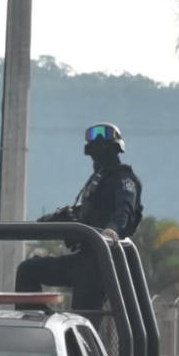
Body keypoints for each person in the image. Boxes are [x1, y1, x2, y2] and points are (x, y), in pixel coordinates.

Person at [16, 122, 143, 310]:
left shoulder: (124, 179)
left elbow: (124, 210)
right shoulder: (97, 181)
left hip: (103, 262)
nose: (99, 145)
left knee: (85, 315)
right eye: (95, 143)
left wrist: (111, 231)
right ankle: (39, 322)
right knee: (28, 270)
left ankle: (77, 327)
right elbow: (90, 212)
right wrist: (66, 219)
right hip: (84, 258)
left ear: (116, 148)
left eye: (104, 142)